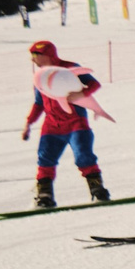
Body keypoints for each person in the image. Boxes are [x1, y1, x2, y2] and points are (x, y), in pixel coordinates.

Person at [20, 39, 110, 209]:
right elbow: (39, 103)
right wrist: (28, 123)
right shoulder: (40, 76)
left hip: (76, 121)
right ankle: (45, 196)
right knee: (45, 159)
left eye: (35, 56)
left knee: (83, 155)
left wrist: (81, 94)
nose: (33, 60)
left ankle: (98, 191)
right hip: (52, 124)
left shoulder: (69, 68)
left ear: (46, 55)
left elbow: (94, 83)